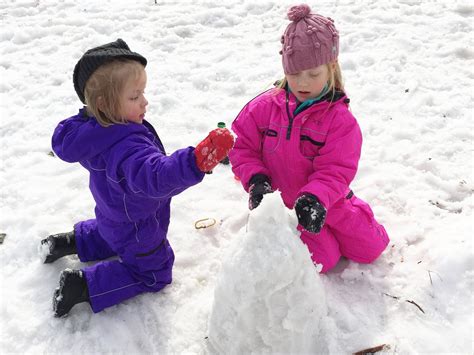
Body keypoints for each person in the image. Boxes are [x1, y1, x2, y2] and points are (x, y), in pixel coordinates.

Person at [41, 39, 234, 317]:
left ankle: (69, 242)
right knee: (155, 271)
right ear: (104, 104)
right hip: (139, 225)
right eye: (134, 97)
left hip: (112, 212)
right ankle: (82, 285)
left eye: (142, 93)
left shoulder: (89, 130)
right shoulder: (128, 145)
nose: (145, 101)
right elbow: (155, 176)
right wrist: (194, 162)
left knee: (110, 233)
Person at [229, 4, 389, 273]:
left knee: (371, 247)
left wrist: (316, 198)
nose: (303, 83)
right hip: (284, 205)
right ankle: (283, 233)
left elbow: (336, 170)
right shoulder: (264, 108)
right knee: (323, 259)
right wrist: (256, 180)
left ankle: (345, 217)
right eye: (294, 74)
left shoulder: (339, 121)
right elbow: (242, 147)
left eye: (313, 74)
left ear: (331, 67)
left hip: (327, 199)